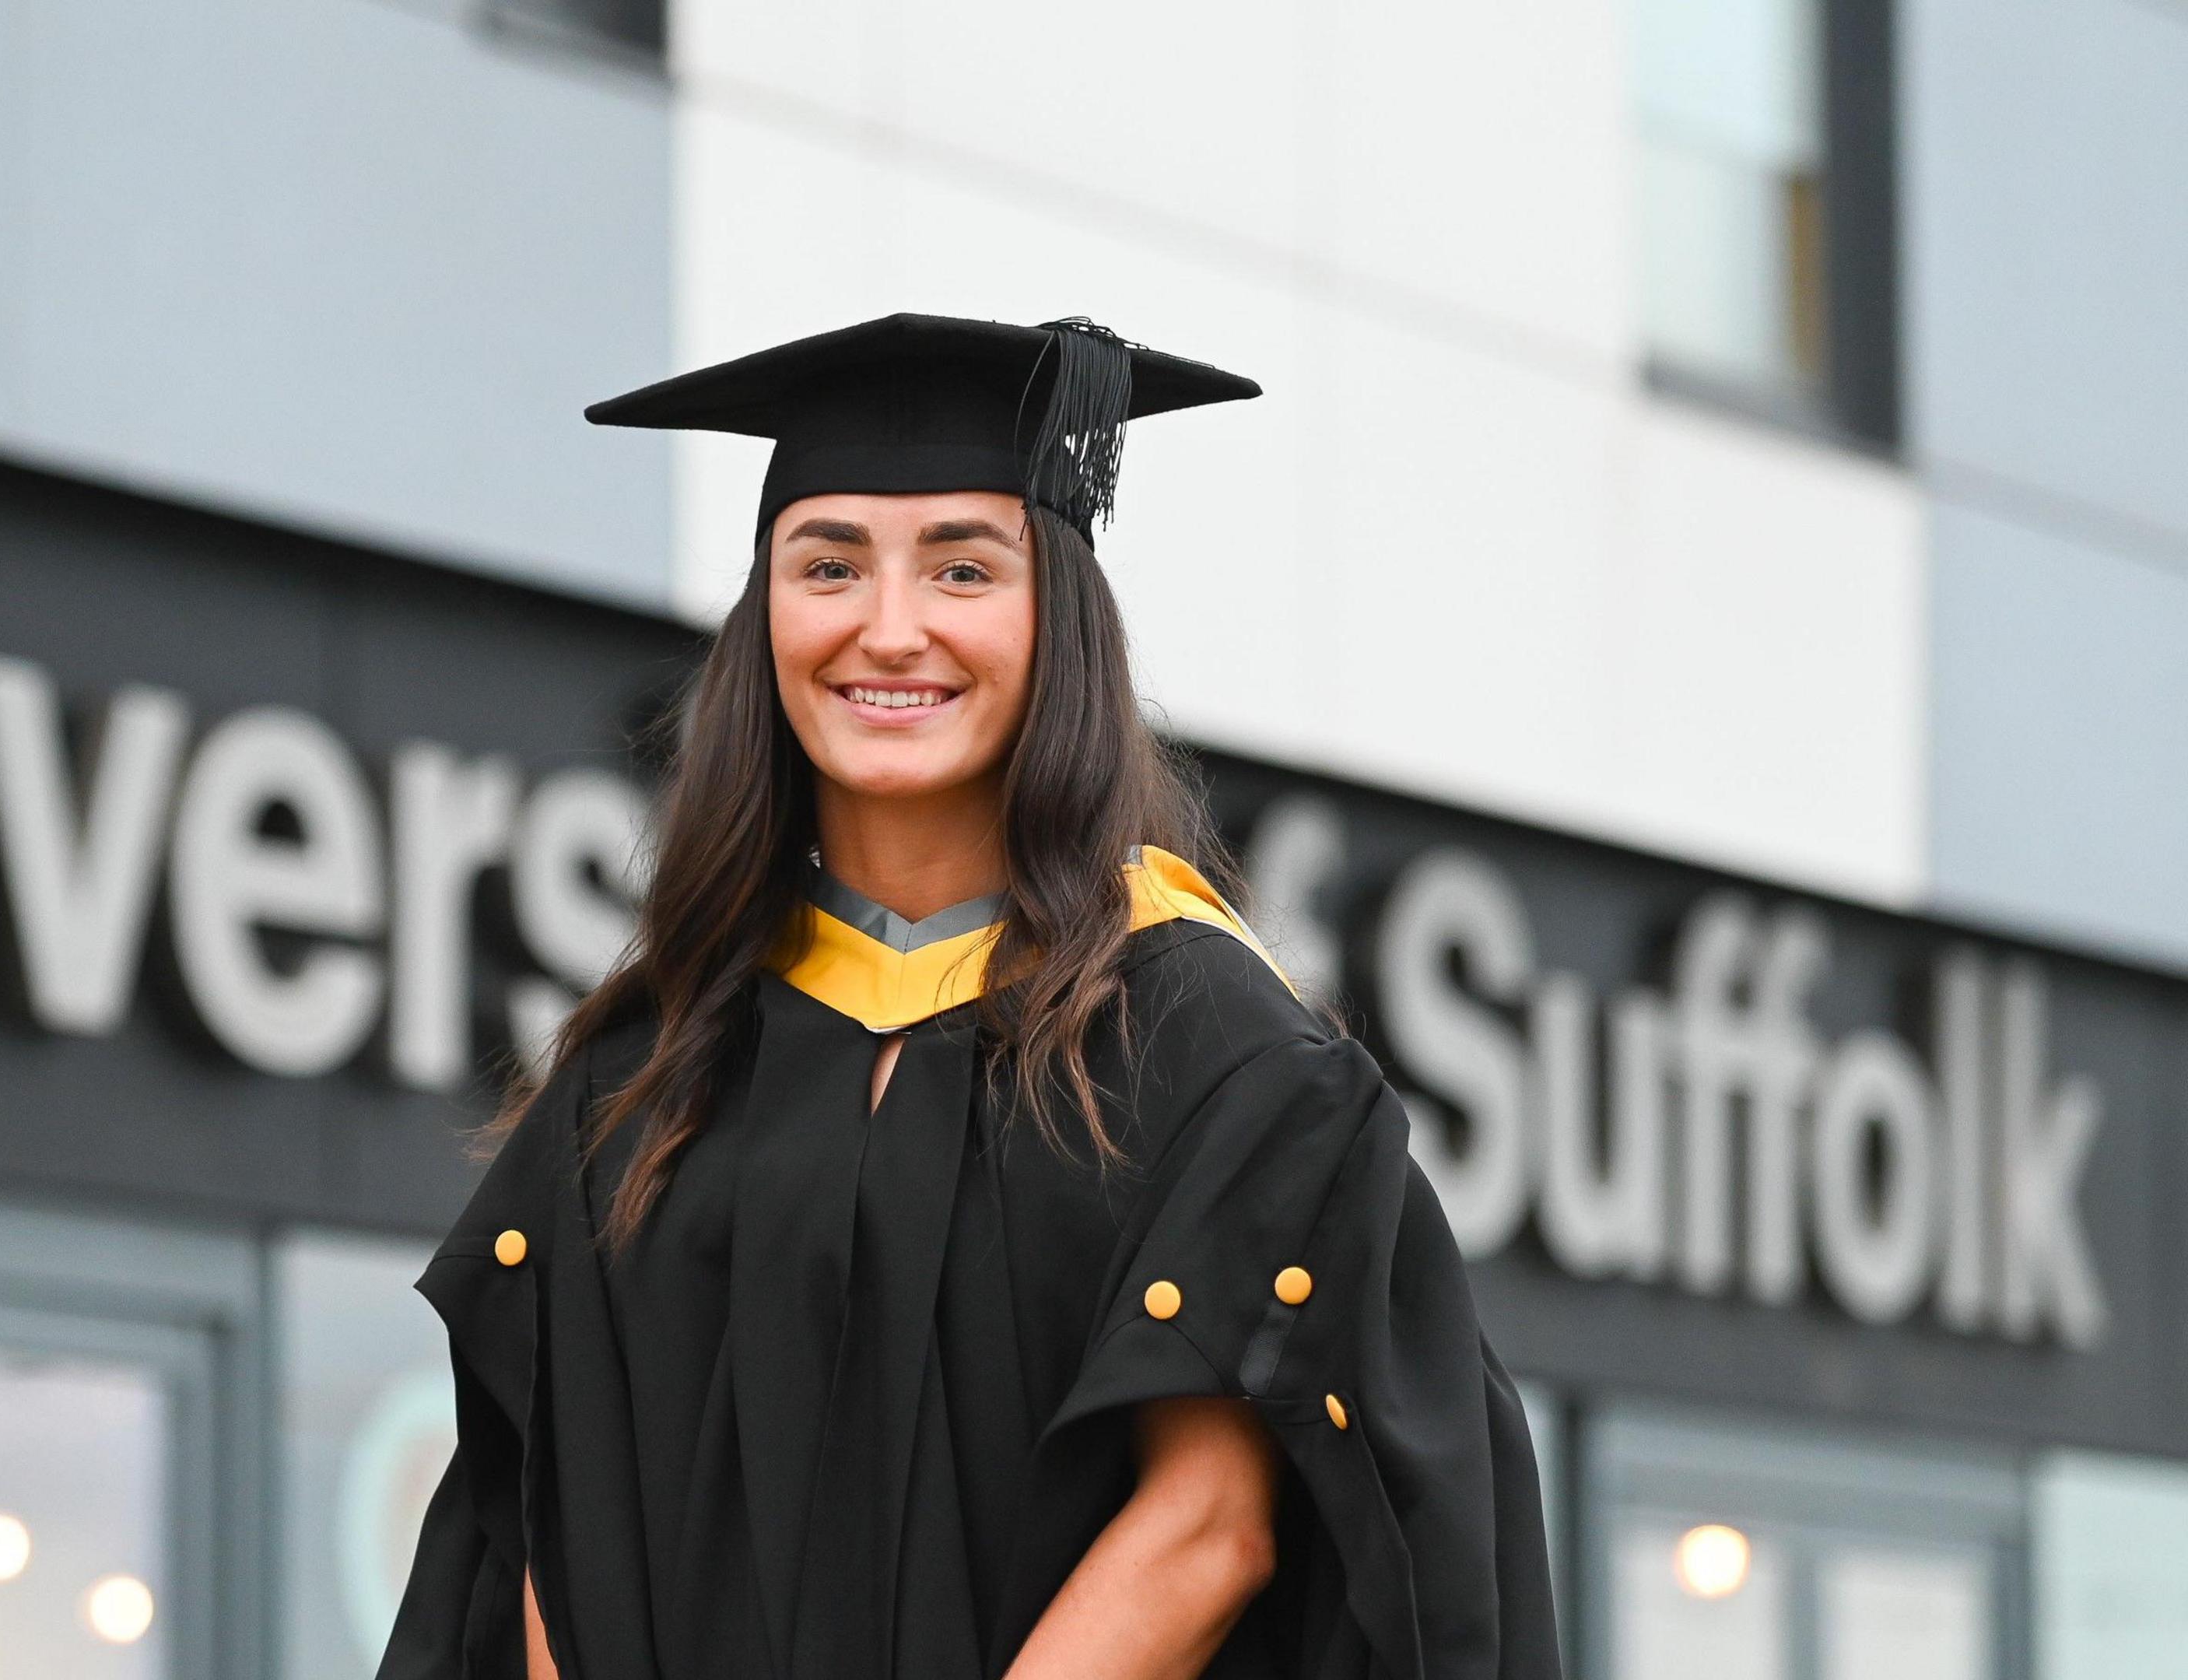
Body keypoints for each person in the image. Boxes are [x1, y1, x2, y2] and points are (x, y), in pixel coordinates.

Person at [377, 314, 1561, 1680]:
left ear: (1056, 617)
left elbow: (1211, 1527)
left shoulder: (1203, 1039)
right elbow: (553, 1527)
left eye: (961, 566)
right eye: (827, 566)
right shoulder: (651, 1063)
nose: (890, 629)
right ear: (765, 616)